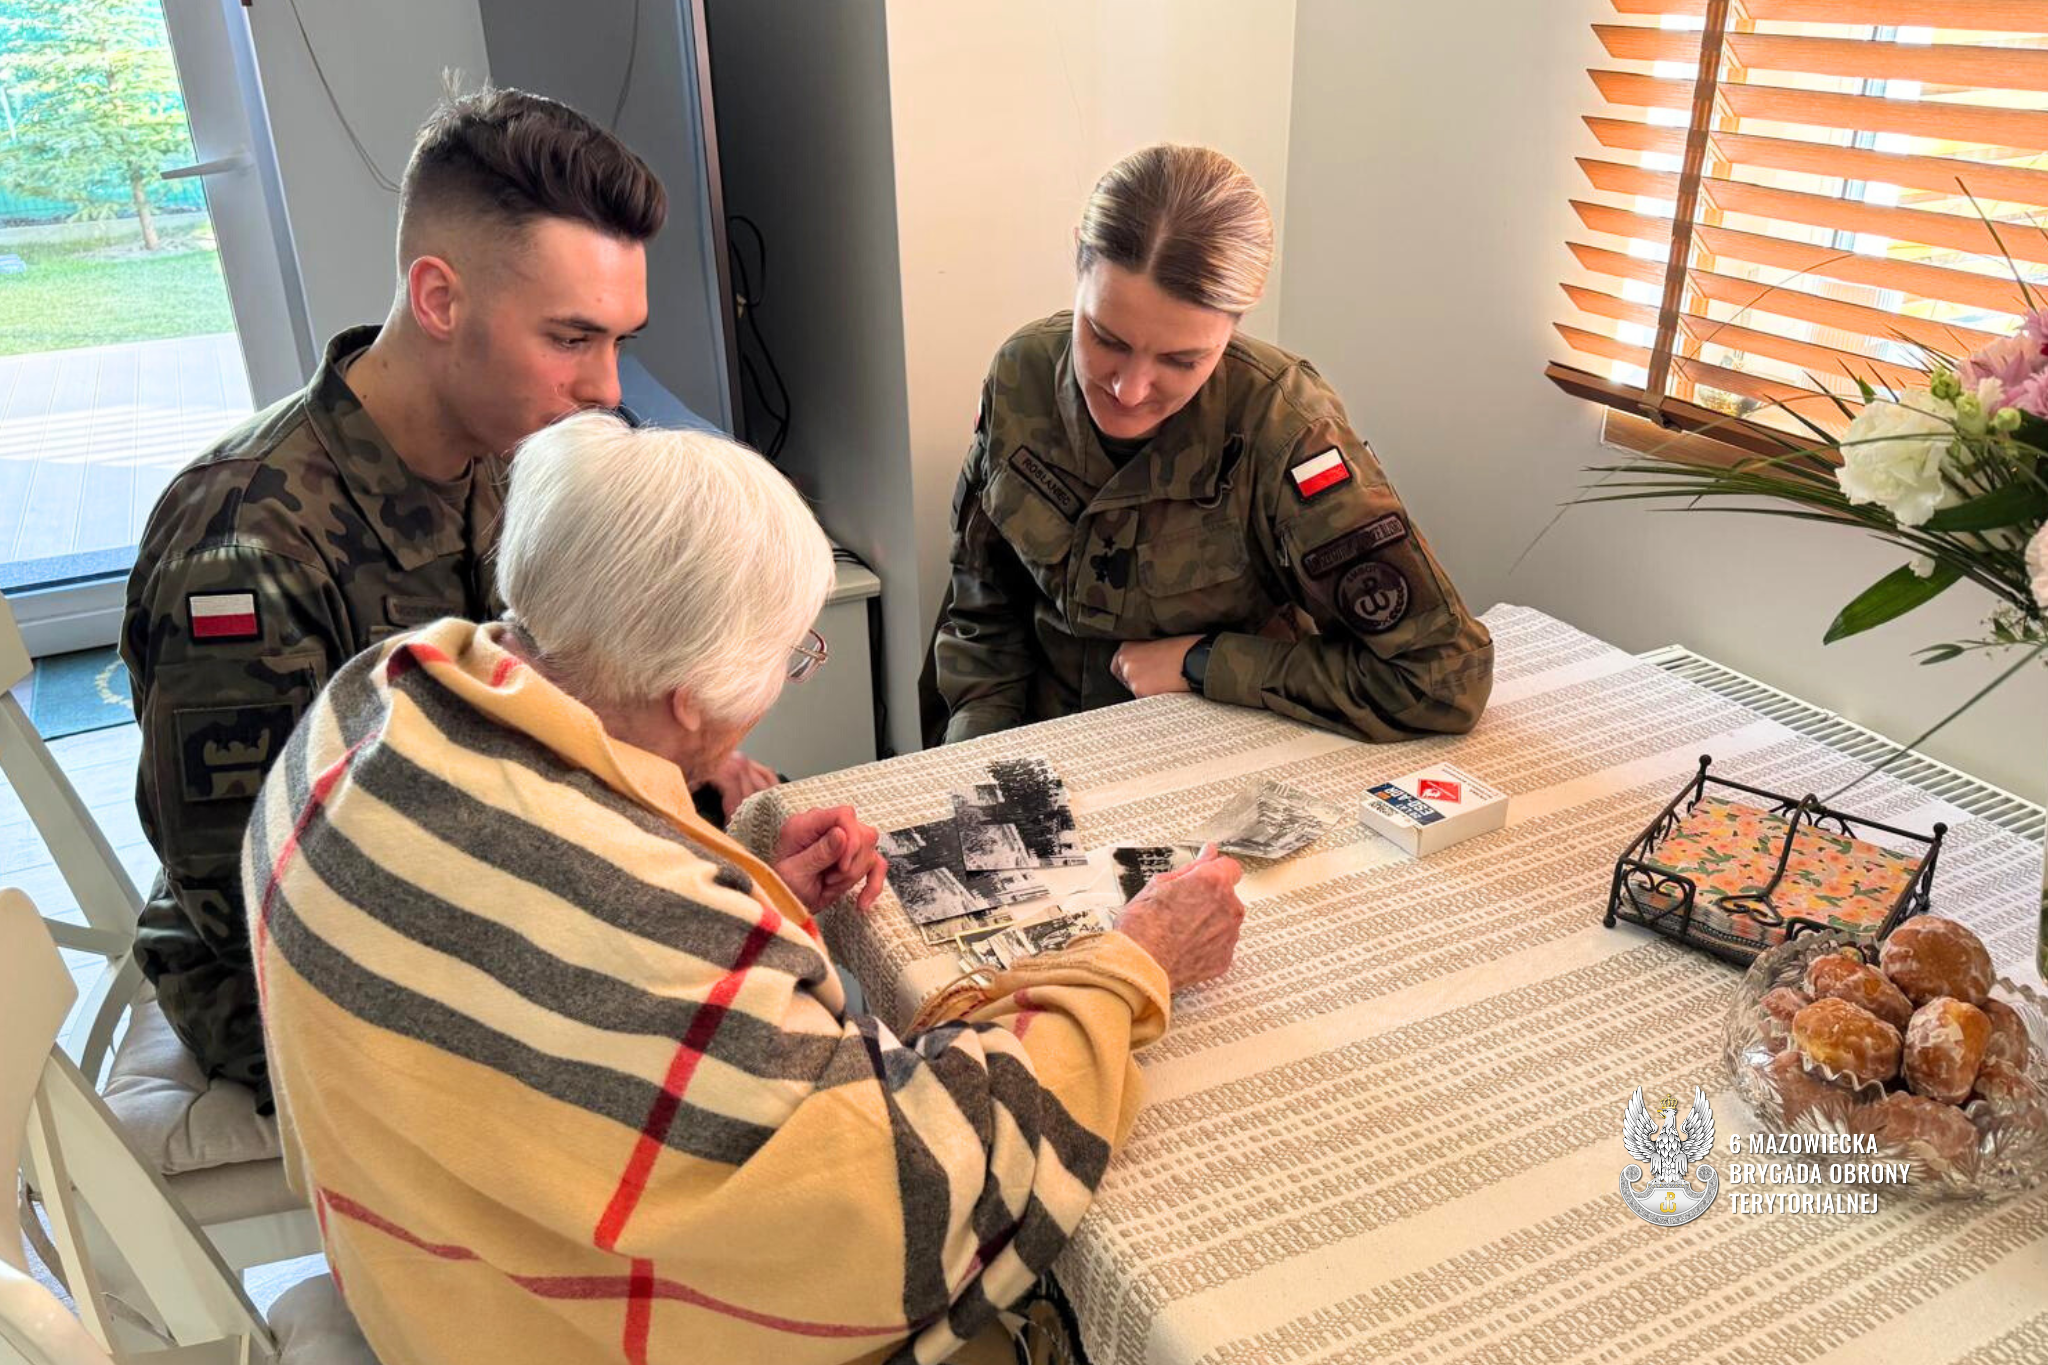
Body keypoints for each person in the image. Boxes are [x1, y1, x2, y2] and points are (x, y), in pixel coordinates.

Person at [245, 413, 1247, 1365]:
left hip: (418, 1228)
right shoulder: (650, 926)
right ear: (691, 695)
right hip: (512, 1321)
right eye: (791, 657)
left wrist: (740, 877)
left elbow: (539, 924)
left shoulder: (375, 698)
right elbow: (916, 1206)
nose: (786, 678)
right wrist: (1133, 962)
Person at [122, 87, 774, 1110]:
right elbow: (254, 902)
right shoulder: (247, 545)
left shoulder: (511, 455)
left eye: (619, 341)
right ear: (438, 300)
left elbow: (559, 700)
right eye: (571, 339)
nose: (607, 388)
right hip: (299, 977)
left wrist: (691, 778)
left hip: (479, 870)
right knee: (714, 1085)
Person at [927, 144, 1493, 745]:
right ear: (1079, 263)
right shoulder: (1023, 375)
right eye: (1106, 338)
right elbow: (984, 610)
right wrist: (974, 752)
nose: (1129, 389)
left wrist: (1204, 661)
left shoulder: (1285, 429)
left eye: (1181, 360)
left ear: (1234, 326)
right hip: (1046, 741)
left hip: (1217, 753)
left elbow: (1442, 677)